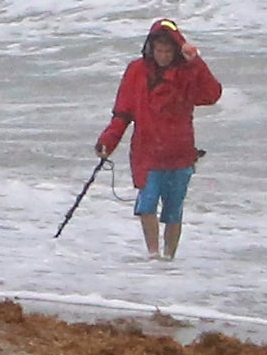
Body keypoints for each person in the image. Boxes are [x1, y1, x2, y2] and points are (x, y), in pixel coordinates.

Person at [95, 18, 222, 262]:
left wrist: (196, 63)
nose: (163, 55)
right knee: (147, 205)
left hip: (180, 152)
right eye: (158, 50)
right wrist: (107, 142)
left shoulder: (187, 73)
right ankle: (153, 255)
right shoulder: (136, 71)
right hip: (147, 151)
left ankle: (169, 259)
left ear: (176, 50)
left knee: (173, 211)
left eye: (168, 50)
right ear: (150, 49)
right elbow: (122, 113)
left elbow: (212, 95)